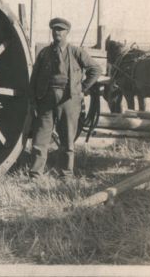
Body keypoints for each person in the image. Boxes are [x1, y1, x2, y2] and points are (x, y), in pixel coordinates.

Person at [29, 17, 101, 179]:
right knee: (40, 139)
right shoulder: (44, 53)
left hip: (69, 101)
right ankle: (35, 175)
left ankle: (66, 175)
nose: (57, 33)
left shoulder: (76, 52)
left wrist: (82, 88)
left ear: (67, 33)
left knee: (67, 141)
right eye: (55, 29)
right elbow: (34, 79)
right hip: (46, 100)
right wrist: (33, 100)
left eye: (61, 30)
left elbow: (95, 69)